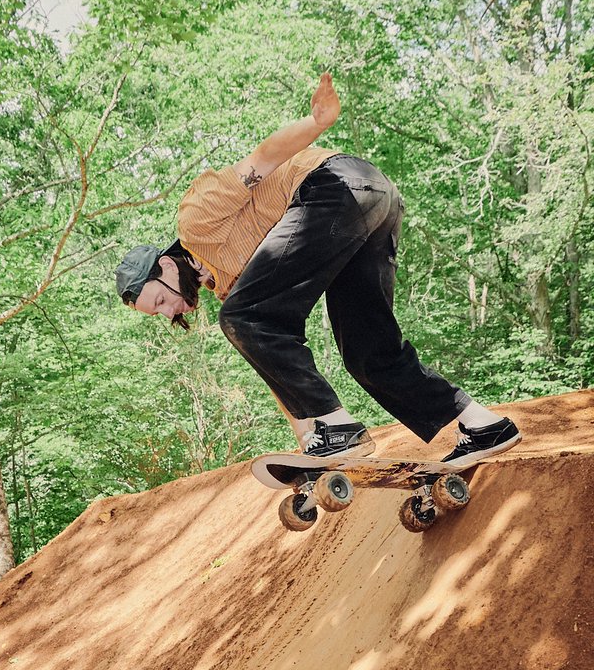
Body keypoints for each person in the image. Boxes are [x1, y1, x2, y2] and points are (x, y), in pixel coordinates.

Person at [115, 73, 520, 466]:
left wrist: (316, 123)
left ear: (166, 265)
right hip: (375, 203)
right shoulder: (230, 283)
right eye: (161, 313)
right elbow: (272, 364)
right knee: (367, 352)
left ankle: (339, 429)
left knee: (241, 316)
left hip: (333, 186)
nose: (170, 312)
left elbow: (263, 158)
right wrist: (308, 443)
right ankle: (483, 424)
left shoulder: (195, 221)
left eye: (162, 300)